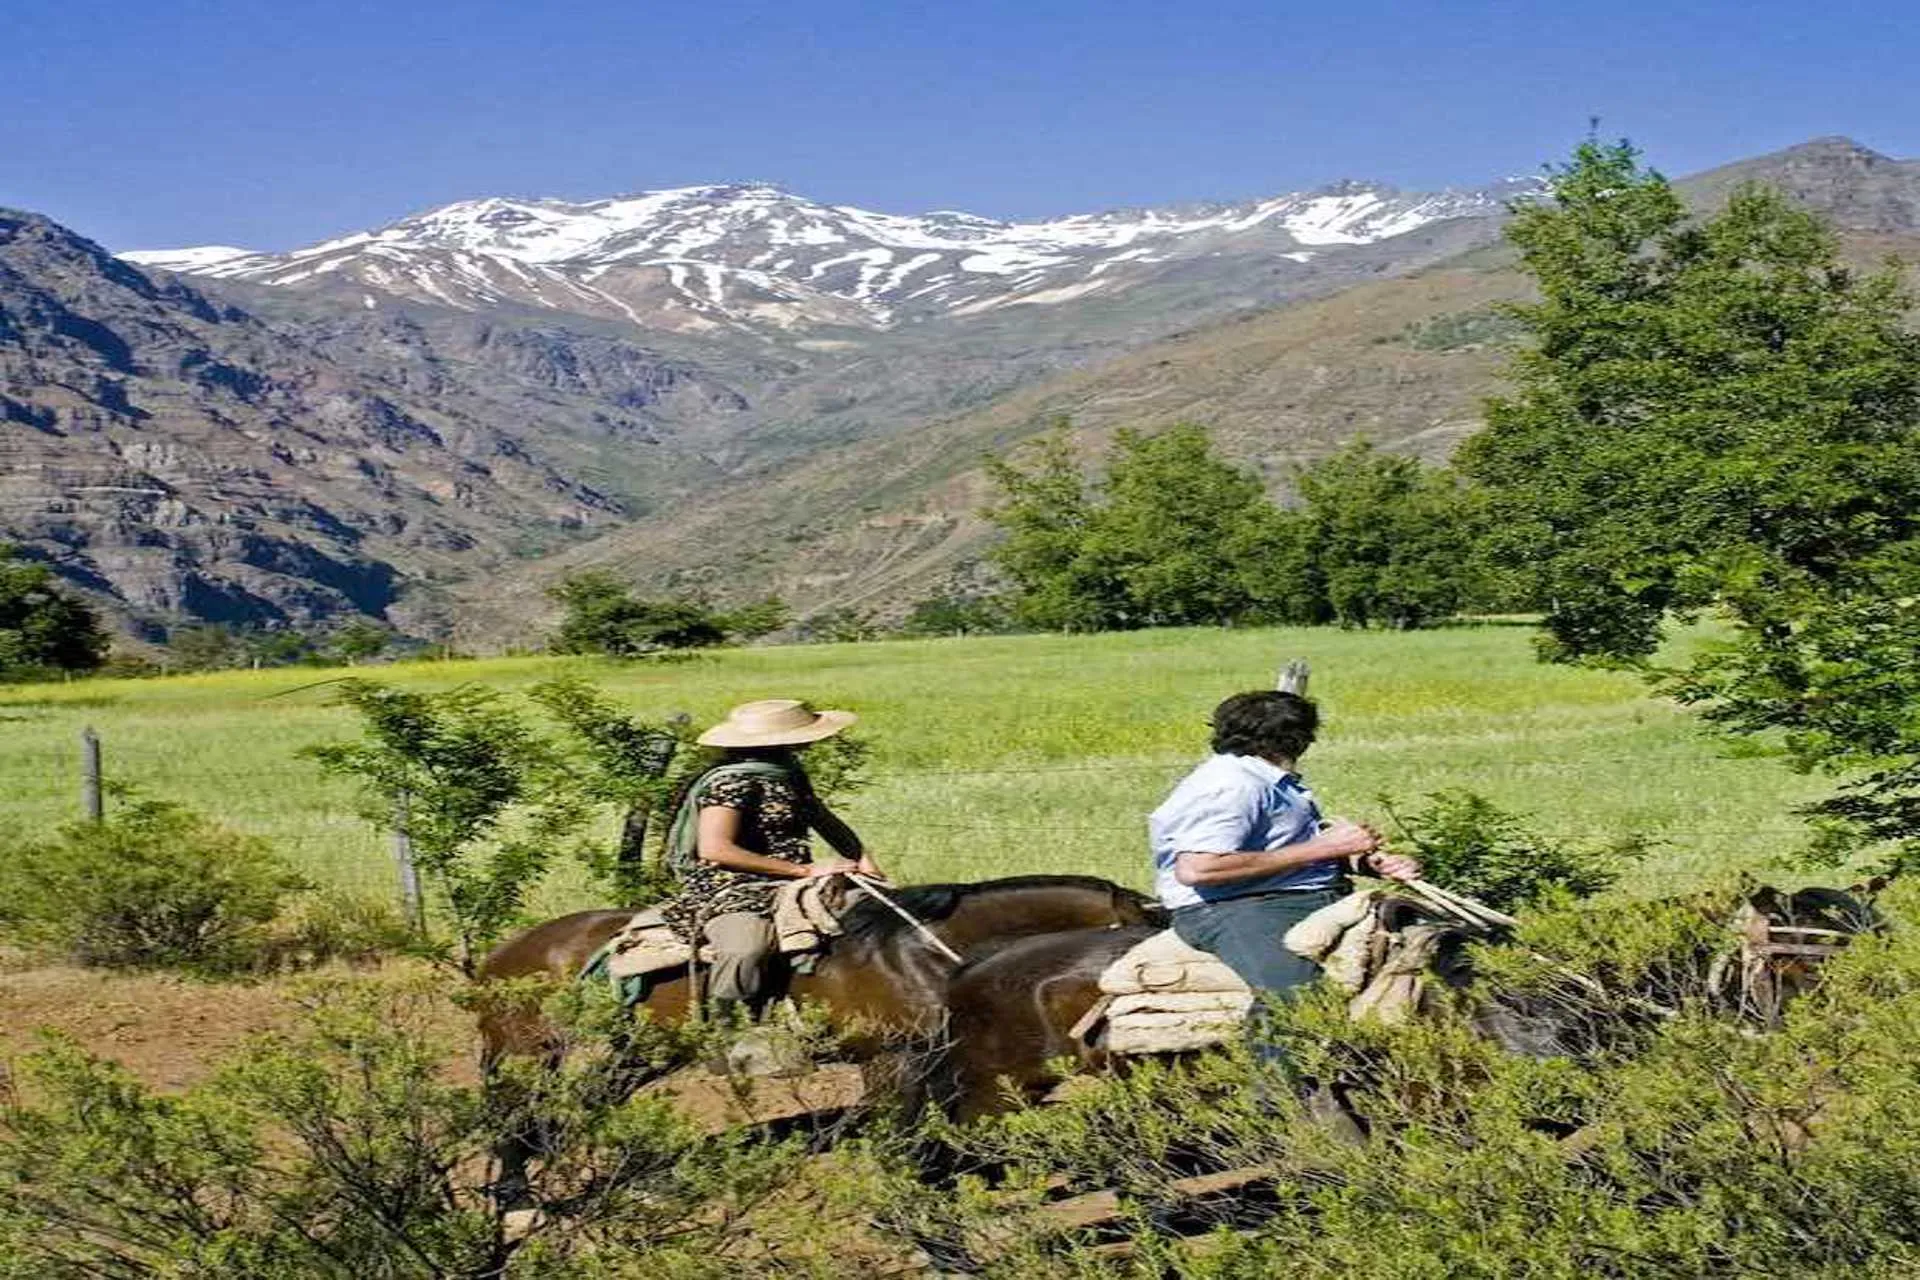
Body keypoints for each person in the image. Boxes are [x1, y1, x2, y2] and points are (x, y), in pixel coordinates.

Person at [1150, 689, 1420, 1062]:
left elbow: (1281, 852)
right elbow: (1200, 868)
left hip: (1294, 897)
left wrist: (1363, 863)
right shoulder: (1232, 785)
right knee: (1296, 998)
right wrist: (1325, 848)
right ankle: (1276, 1095)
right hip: (1235, 908)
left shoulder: (1268, 779)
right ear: (1300, 738)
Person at [659, 698, 883, 1013]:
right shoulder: (731, 783)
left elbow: (825, 822)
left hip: (790, 876)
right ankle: (726, 1025)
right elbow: (715, 849)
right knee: (745, 949)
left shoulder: (787, 773)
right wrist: (803, 871)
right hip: (734, 884)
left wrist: (862, 859)